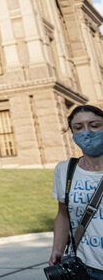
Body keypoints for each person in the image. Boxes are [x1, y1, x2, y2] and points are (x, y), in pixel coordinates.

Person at [50, 105, 103, 279]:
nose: (86, 132)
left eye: (94, 125)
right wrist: (57, 248)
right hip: (85, 269)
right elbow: (63, 214)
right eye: (78, 128)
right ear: (72, 134)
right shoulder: (65, 170)